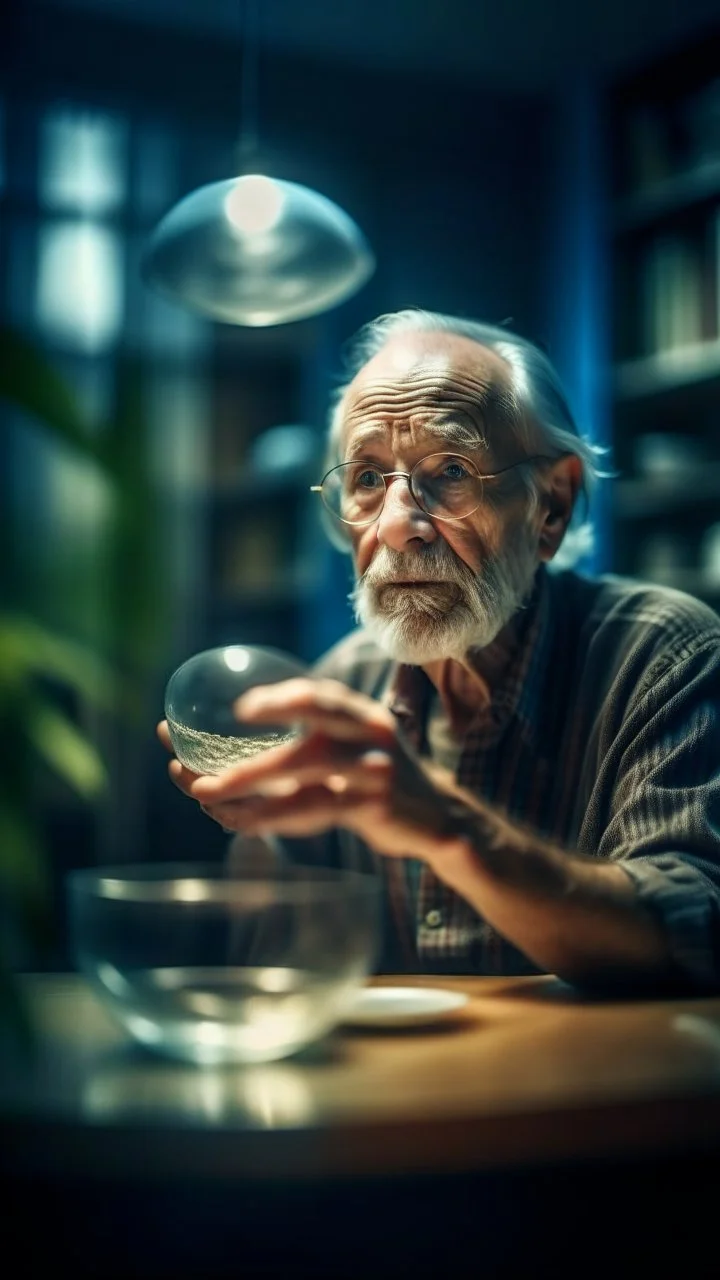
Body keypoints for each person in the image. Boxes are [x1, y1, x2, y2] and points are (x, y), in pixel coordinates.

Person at [159, 309, 720, 994]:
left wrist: (445, 825)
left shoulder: (666, 656)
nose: (397, 527)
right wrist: (262, 836)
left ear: (552, 505)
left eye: (449, 470)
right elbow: (286, 973)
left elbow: (688, 938)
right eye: (367, 479)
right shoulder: (344, 682)